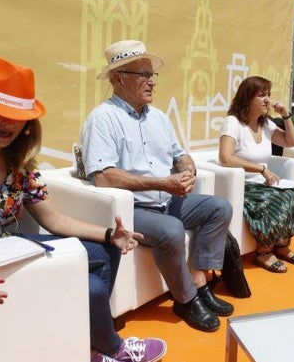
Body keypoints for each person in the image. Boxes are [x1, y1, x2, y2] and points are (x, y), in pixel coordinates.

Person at [0, 57, 166, 362]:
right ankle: (111, 348)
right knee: (92, 287)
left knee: (106, 252)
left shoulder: (16, 159)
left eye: (17, 115)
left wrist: (111, 234)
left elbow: (52, 218)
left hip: (5, 249)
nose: (7, 123)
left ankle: (86, 337)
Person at [80, 40, 234, 333]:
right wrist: (162, 182)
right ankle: (185, 299)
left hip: (168, 200)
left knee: (219, 207)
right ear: (117, 78)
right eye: (143, 75)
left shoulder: (159, 117)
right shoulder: (102, 119)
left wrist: (188, 171)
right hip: (134, 208)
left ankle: (200, 281)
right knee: (171, 230)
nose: (152, 82)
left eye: (153, 75)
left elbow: (181, 156)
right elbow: (102, 176)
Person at [218, 76, 294, 274]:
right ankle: (263, 251)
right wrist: (261, 169)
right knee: (276, 198)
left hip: (264, 182)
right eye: (261, 95)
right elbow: (226, 157)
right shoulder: (233, 123)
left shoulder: (266, 125)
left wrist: (285, 115)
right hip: (245, 185)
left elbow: (292, 142)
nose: (267, 100)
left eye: (268, 95)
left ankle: (282, 245)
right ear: (247, 99)